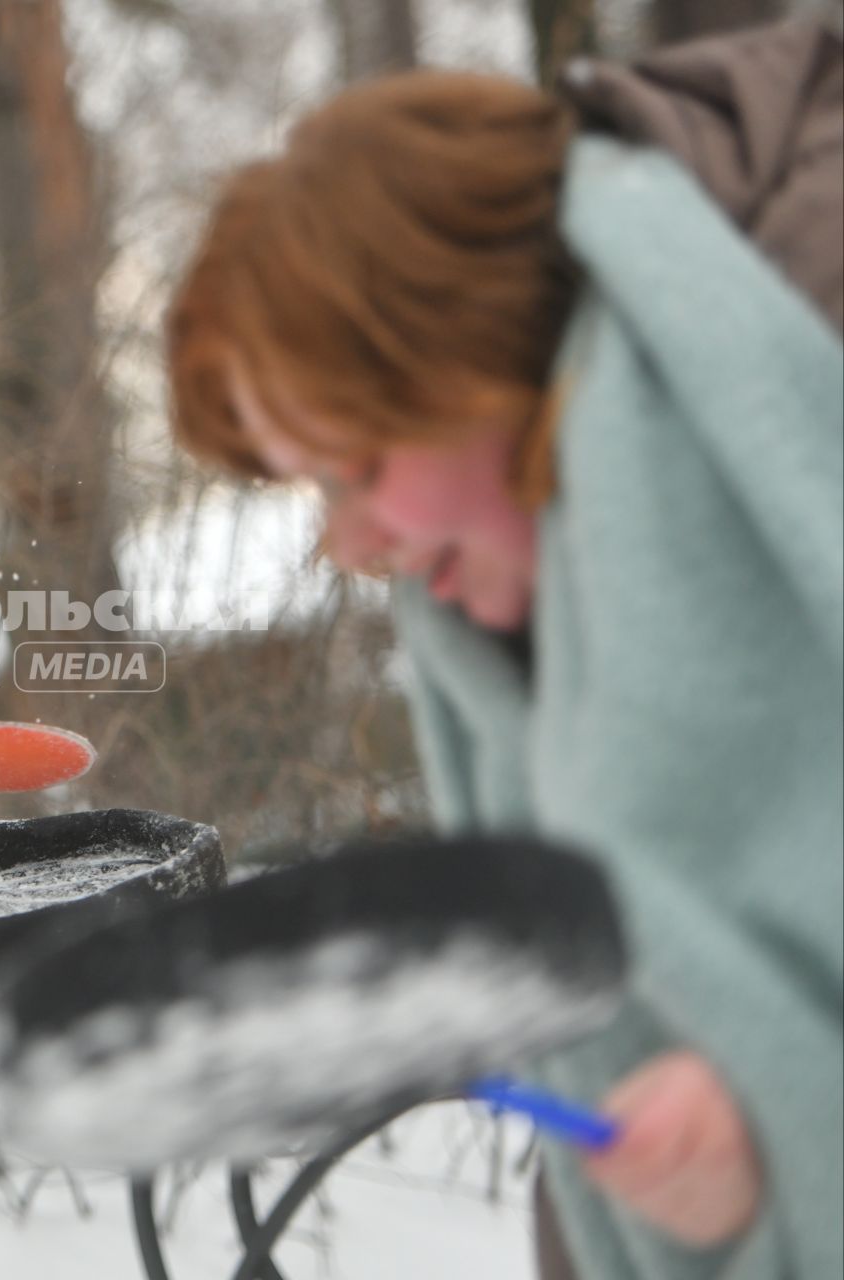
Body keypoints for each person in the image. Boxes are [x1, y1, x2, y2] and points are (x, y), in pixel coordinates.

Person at [165, 17, 841, 1280]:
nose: (353, 545)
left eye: (361, 465)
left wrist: (797, 1133)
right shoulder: (555, 597)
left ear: (480, 352)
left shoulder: (796, 378)